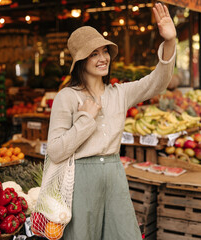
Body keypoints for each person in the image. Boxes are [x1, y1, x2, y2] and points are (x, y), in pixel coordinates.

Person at [46, 3, 176, 239]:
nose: (103, 57)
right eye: (94, 54)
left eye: (104, 51)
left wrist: (169, 42)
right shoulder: (67, 97)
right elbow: (55, 151)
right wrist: (85, 119)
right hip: (80, 181)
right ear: (81, 60)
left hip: (115, 174)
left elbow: (158, 81)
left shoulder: (120, 93)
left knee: (124, 234)